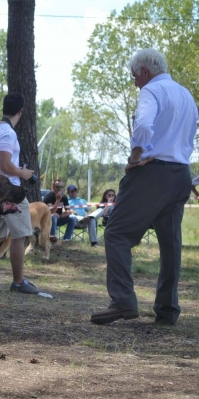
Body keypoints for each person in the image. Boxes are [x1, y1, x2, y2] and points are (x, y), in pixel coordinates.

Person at [91, 48, 198, 326]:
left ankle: (123, 301)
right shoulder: (186, 95)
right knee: (170, 244)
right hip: (181, 174)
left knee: (115, 232)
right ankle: (167, 310)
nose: (135, 82)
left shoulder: (151, 91)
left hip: (152, 173)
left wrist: (135, 156)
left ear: (145, 72)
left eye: (134, 77)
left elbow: (143, 124)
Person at [0, 93, 45, 295]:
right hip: (9, 192)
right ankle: (18, 282)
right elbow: (5, 164)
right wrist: (24, 173)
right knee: (20, 235)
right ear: (20, 112)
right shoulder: (8, 134)